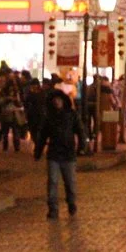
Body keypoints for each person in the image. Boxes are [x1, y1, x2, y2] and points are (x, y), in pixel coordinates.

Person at [45, 83, 81, 217]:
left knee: (70, 182)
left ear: (63, 100)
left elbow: (80, 130)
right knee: (52, 181)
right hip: (54, 153)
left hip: (68, 153)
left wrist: (82, 145)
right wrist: (38, 150)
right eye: (54, 100)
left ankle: (71, 202)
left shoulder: (71, 115)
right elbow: (43, 134)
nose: (56, 102)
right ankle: (53, 208)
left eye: (59, 99)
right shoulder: (49, 116)